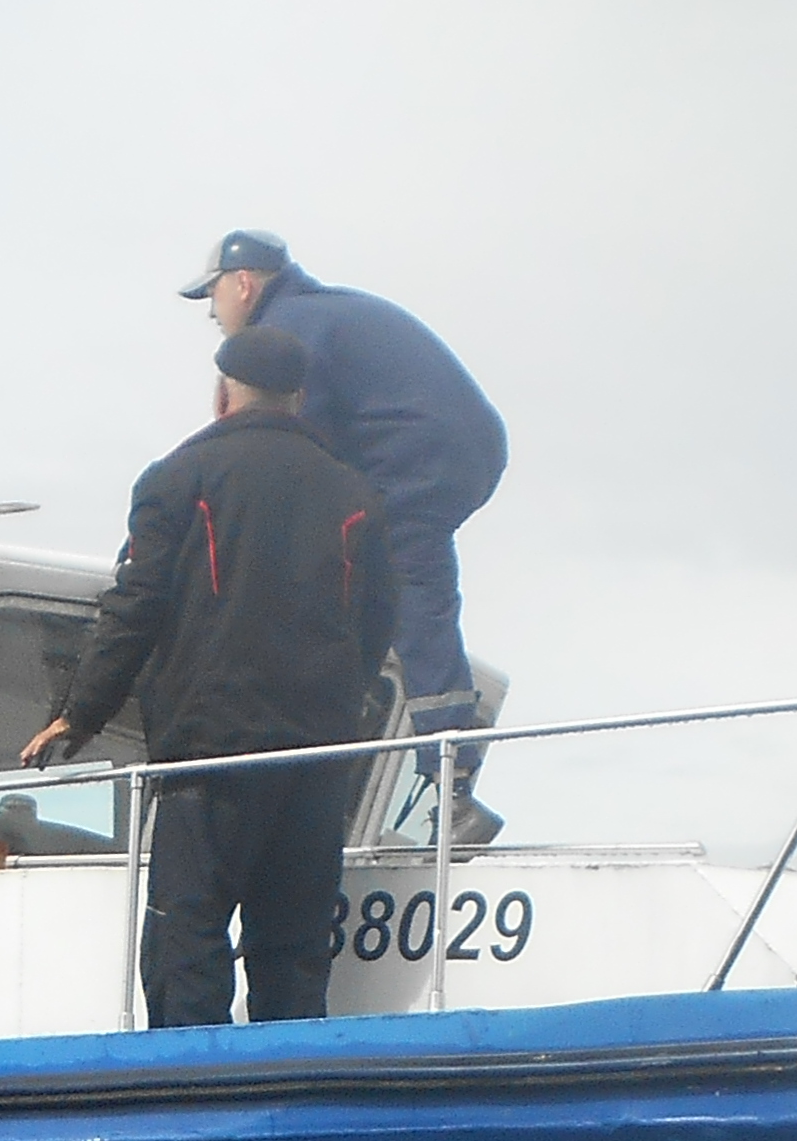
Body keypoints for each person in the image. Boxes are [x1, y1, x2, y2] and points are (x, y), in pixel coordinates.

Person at [25, 322, 393, 1029]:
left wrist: (82, 710)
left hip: (211, 756)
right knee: (292, 948)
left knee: (187, 936)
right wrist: (337, 701)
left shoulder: (177, 479)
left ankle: (190, 1087)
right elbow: (376, 623)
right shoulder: (356, 495)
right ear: (299, 397)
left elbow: (138, 605)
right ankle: (286, 1090)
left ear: (222, 392)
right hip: (315, 759)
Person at [184, 230, 511, 845]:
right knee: (373, 589)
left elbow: (277, 446)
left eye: (214, 294)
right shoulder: (319, 313)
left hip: (419, 460)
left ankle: (452, 783)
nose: (211, 311)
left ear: (244, 283)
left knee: (413, 593)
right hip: (455, 449)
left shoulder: (289, 330)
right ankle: (433, 768)